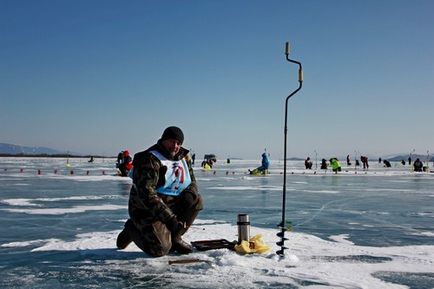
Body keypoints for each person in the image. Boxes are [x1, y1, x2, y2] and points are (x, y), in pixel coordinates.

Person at [116, 126, 203, 256]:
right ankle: (132, 228)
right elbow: (147, 194)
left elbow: (192, 181)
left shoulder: (183, 158)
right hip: (145, 209)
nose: (175, 146)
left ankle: (175, 237)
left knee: (197, 200)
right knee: (160, 249)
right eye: (172, 141)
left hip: (169, 205)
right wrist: (170, 219)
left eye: (178, 143)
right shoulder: (150, 159)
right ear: (163, 140)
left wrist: (190, 193)